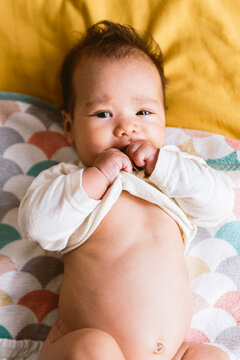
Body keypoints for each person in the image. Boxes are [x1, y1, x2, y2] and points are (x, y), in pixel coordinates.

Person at [18, 21, 234, 360]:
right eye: (103, 113)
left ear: (164, 119)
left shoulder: (174, 174)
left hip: (173, 352)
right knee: (94, 348)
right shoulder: (71, 180)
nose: (126, 127)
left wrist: (164, 164)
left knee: (210, 356)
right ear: (70, 126)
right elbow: (36, 225)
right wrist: (96, 177)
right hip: (89, 346)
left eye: (144, 111)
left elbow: (221, 202)